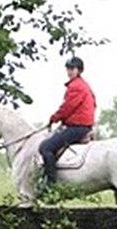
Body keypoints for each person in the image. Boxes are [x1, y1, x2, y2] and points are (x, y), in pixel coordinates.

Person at [39, 56, 96, 188]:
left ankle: (50, 184)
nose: (69, 71)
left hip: (77, 127)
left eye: (72, 68)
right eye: (68, 68)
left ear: (79, 70)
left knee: (46, 147)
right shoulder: (84, 85)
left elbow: (68, 107)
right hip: (81, 125)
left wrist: (54, 118)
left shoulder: (76, 86)